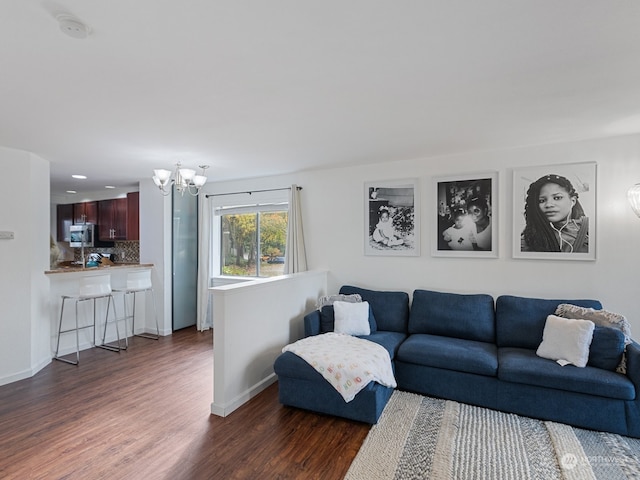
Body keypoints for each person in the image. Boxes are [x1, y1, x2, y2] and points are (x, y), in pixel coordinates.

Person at [521, 173, 589, 253]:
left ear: (573, 201)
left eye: (557, 198)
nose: (549, 204)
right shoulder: (529, 239)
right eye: (542, 200)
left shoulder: (591, 229)